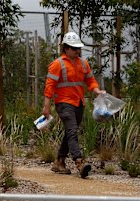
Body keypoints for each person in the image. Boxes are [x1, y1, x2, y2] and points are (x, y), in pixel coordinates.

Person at [42, 31, 106, 178]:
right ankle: (79, 162)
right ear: (66, 48)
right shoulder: (57, 64)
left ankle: (59, 162)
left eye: (78, 48)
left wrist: (97, 91)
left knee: (70, 132)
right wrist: (46, 105)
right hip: (64, 104)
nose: (77, 51)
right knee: (72, 131)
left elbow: (90, 80)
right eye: (74, 48)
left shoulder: (83, 64)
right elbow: (49, 86)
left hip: (79, 103)